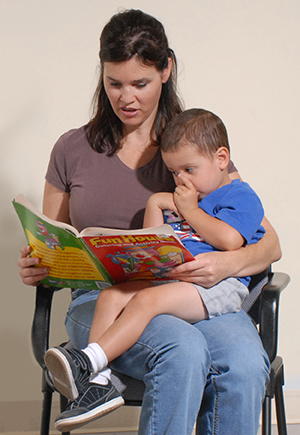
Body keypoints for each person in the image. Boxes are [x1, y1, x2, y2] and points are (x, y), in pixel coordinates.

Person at [18, 9, 281, 435]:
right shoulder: (72, 149)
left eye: (140, 83)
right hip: (105, 302)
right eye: (114, 83)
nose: (127, 98)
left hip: (194, 294)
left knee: (247, 362)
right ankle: (96, 368)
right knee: (181, 351)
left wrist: (226, 265)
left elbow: (267, 243)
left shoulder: (192, 150)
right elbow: (53, 241)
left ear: (166, 70)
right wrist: (38, 264)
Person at [44, 107, 267, 430]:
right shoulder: (74, 148)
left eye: (188, 170)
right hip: (168, 280)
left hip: (213, 286)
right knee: (114, 295)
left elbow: (232, 240)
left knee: (150, 306)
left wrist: (189, 210)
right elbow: (153, 242)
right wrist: (157, 204)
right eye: (174, 173)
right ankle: (98, 381)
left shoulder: (233, 195)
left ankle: (89, 359)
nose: (181, 180)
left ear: (222, 159)